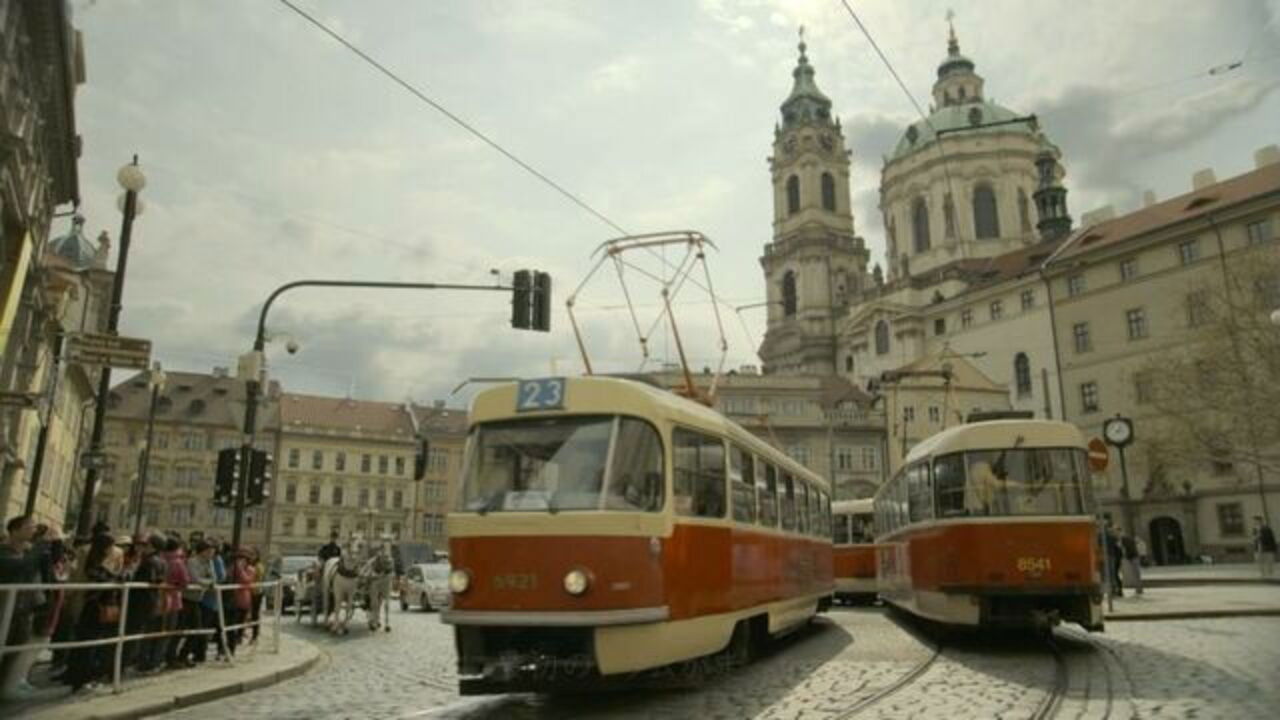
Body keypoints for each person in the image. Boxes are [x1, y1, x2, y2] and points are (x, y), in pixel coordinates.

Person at [63, 533, 122, 693]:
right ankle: (82, 680)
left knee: (85, 642)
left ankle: (75, 677)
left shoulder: (94, 559)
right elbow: (107, 578)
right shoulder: (96, 563)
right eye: (111, 546)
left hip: (90, 605)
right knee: (89, 643)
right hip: (94, 606)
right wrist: (117, 577)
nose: (113, 550)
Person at [0, 515, 41, 699]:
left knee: (14, 651)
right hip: (3, 610)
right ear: (15, 530)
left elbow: (41, 574)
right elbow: (20, 567)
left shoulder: (29, 552)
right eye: (29, 527)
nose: (34, 530)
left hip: (23, 611)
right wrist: (39, 549)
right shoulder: (3, 551)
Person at [1120, 531, 1143, 596]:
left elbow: (1123, 549)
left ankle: (1139, 589)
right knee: (1136, 573)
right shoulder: (1129, 539)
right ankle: (1139, 589)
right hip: (1134, 556)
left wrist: (1124, 556)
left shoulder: (1123, 539)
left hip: (1132, 557)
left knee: (1135, 573)